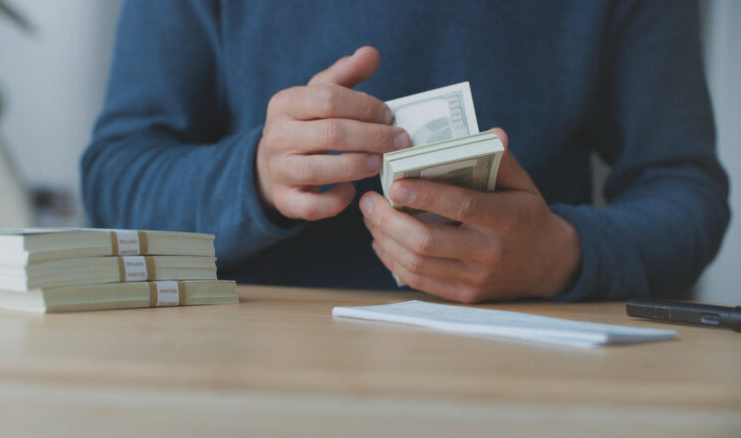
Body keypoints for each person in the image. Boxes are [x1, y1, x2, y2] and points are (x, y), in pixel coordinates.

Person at [81, 0, 729, 302]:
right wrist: (254, 176)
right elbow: (116, 177)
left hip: (528, 374)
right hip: (243, 382)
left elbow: (684, 190)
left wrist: (564, 255)